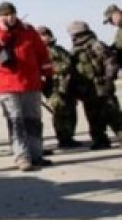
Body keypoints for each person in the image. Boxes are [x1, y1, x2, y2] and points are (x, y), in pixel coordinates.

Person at [0, 2, 52, 171]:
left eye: (12, 14)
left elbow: (42, 53)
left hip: (30, 82)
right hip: (7, 85)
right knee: (16, 121)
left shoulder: (28, 30)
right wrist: (3, 32)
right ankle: (22, 157)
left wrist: (48, 75)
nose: (10, 17)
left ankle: (36, 154)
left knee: (33, 120)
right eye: (5, 15)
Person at [67, 20, 122, 150]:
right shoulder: (75, 50)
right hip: (87, 89)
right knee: (93, 116)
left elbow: (111, 63)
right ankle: (100, 140)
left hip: (101, 85)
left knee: (113, 114)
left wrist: (108, 79)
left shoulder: (96, 45)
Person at [36, 26, 81, 149]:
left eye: (47, 34)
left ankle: (69, 137)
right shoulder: (39, 52)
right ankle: (63, 139)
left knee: (71, 111)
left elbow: (70, 63)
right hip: (54, 87)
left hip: (68, 85)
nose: (45, 37)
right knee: (60, 112)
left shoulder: (59, 49)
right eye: (42, 35)